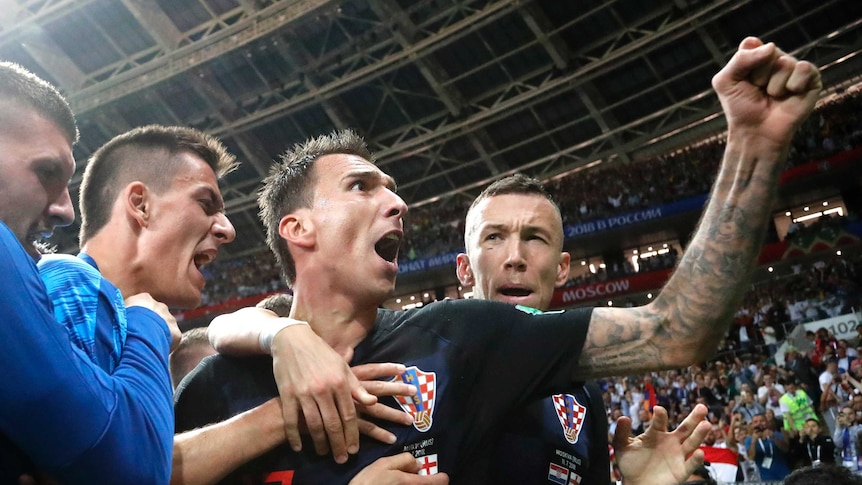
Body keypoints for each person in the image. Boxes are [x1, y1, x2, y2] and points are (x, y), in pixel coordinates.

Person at [185, 36, 819, 482]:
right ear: (297, 228)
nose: (398, 202)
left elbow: (678, 331)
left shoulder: (465, 338)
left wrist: (752, 146)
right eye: (362, 186)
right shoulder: (218, 389)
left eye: (392, 187)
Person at [0, 62, 180, 482]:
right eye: (46, 172)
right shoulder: (64, 276)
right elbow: (129, 467)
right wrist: (147, 323)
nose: (65, 209)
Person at [745, 413, 792, 481]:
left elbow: (786, 449)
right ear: (752, 425)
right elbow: (751, 457)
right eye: (756, 422)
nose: (759, 423)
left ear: (767, 422)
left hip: (783, 474)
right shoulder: (749, 440)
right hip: (765, 478)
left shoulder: (777, 435)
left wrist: (774, 437)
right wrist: (754, 442)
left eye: (762, 421)